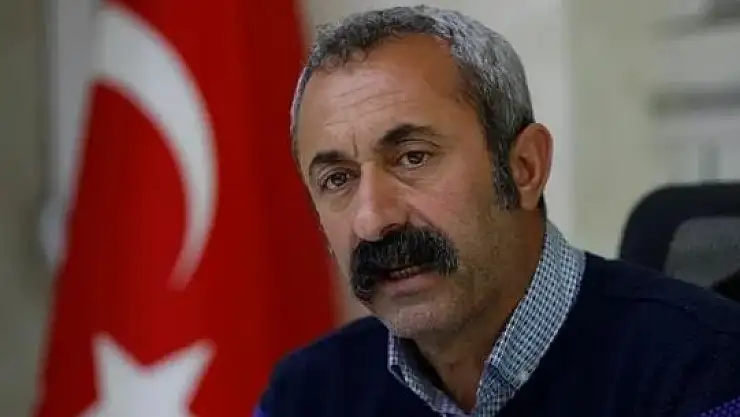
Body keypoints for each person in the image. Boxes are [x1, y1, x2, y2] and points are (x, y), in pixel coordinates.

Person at [256, 5, 740, 417]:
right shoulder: (305, 395)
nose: (373, 220)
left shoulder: (706, 372)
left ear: (525, 167)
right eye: (337, 179)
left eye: (413, 158)